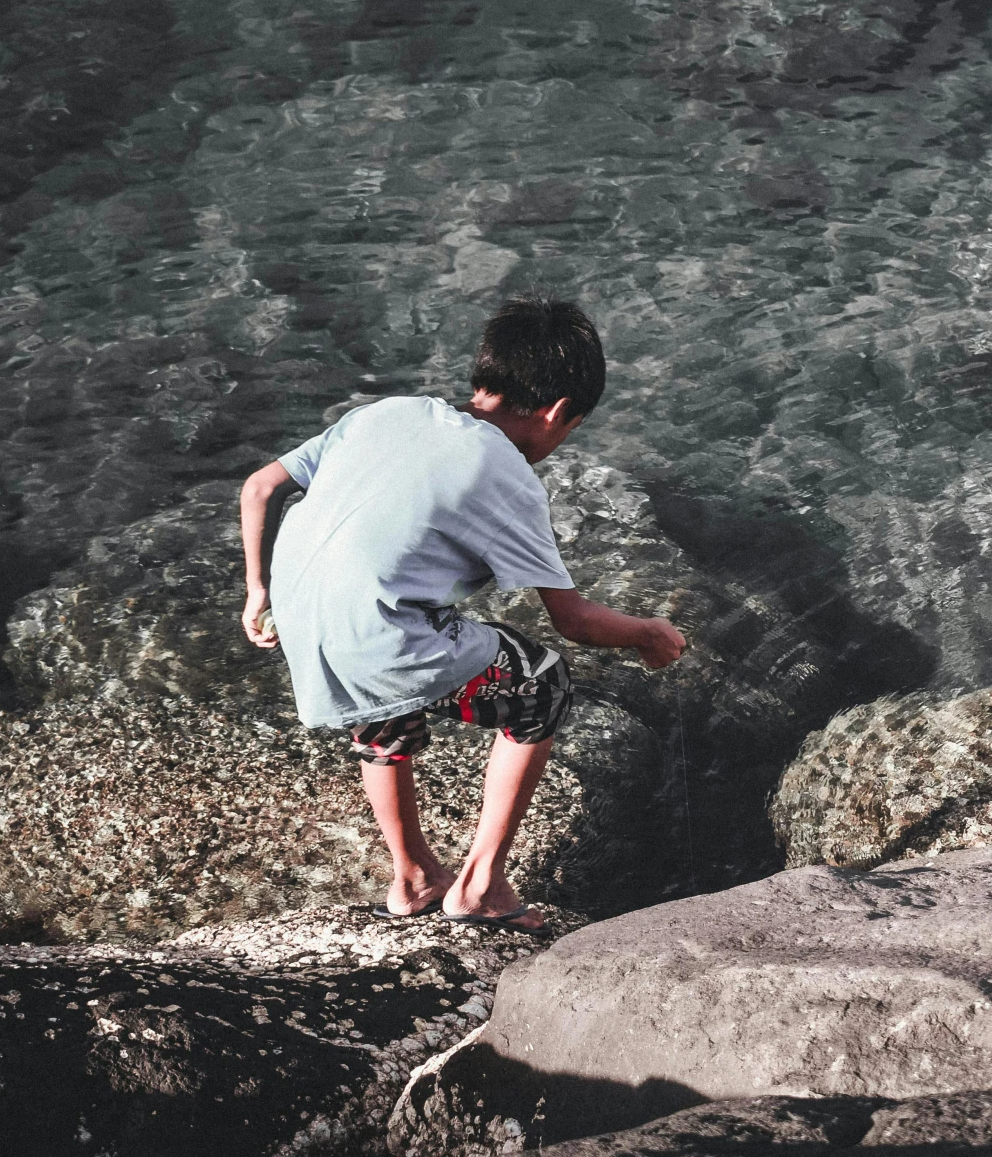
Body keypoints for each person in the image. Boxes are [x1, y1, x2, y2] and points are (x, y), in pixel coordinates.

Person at [236, 298, 684, 926]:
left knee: (384, 679)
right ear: (558, 412)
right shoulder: (505, 472)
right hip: (377, 636)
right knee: (543, 682)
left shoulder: (388, 412)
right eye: (570, 429)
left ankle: (413, 876)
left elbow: (260, 487)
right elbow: (574, 620)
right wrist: (648, 633)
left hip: (304, 625)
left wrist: (258, 591)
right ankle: (481, 886)